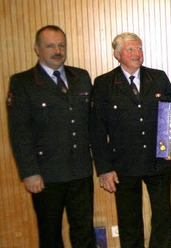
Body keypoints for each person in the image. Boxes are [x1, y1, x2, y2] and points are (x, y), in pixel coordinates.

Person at [91, 32, 171, 247]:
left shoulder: (158, 77)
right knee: (129, 221)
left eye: (139, 48)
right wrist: (104, 168)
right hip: (123, 165)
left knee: (162, 217)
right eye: (130, 49)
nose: (137, 53)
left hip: (158, 160)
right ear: (117, 54)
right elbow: (96, 130)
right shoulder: (104, 83)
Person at [7, 25, 95, 248]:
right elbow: (19, 132)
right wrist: (29, 172)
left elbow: (93, 122)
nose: (58, 50)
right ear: (37, 49)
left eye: (61, 45)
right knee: (50, 233)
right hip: (46, 174)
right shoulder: (23, 82)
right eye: (50, 46)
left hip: (80, 171)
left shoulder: (81, 77)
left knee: (84, 231)